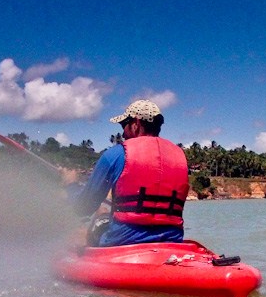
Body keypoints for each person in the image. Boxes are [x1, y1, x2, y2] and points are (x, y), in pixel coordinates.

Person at [68, 100, 189, 247]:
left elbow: (83, 207)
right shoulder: (180, 156)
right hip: (172, 241)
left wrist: (70, 185)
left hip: (122, 242)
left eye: (123, 124)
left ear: (135, 124)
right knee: (103, 212)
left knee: (99, 217)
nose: (123, 133)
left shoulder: (115, 155)